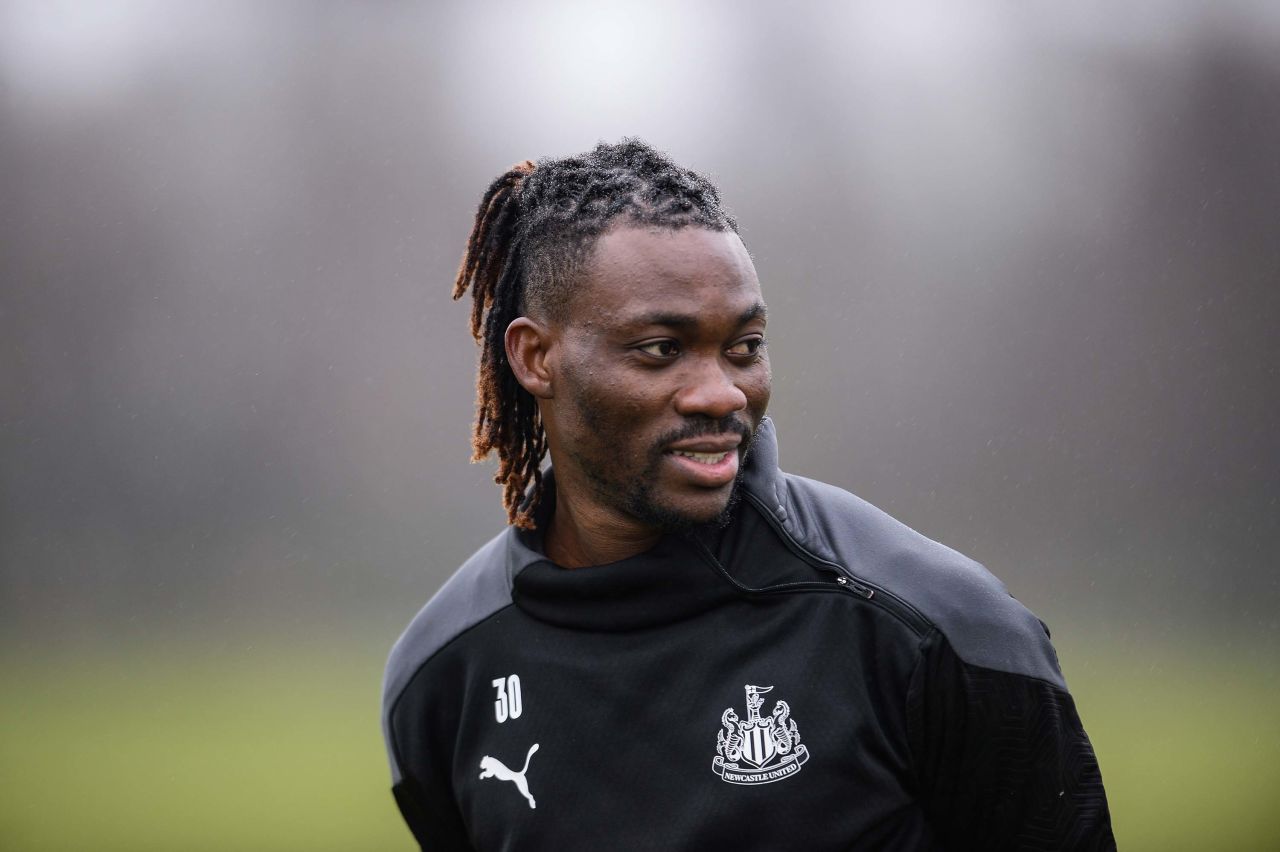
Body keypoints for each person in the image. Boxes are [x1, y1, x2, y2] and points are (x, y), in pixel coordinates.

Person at [381, 140, 1114, 850]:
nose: (720, 392)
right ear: (535, 357)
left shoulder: (939, 632)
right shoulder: (442, 673)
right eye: (661, 350)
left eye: (744, 347)